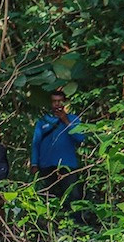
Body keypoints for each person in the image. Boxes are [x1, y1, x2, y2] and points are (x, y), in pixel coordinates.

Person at [30, 89, 89, 219]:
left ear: (65, 102)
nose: (57, 104)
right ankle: (49, 226)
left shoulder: (74, 119)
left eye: (59, 101)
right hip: (46, 165)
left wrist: (65, 120)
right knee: (47, 196)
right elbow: (36, 144)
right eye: (54, 101)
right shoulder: (43, 121)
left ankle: (76, 226)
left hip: (68, 165)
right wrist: (34, 163)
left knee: (73, 196)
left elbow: (80, 138)